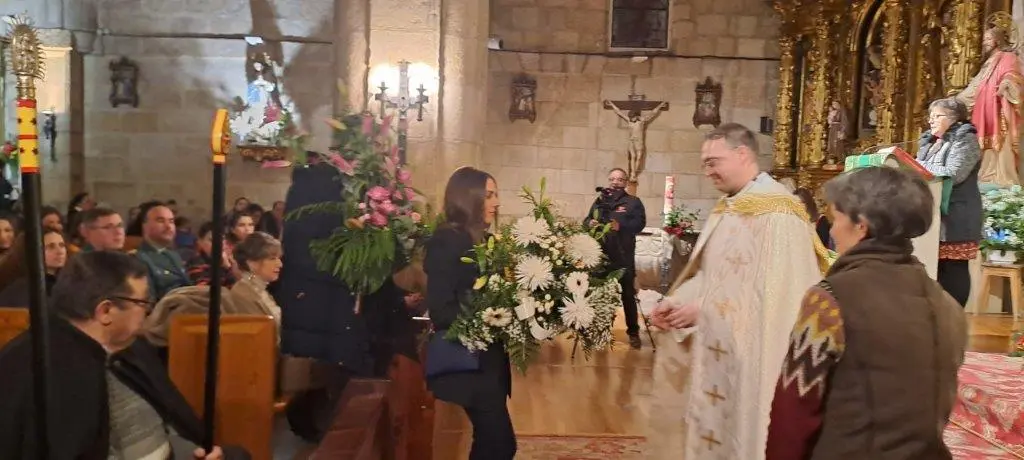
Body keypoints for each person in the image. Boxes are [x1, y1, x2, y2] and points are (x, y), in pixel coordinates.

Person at [646, 123, 831, 459]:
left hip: (755, 356)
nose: (707, 171)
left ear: (742, 154)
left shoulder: (779, 213)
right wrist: (676, 303)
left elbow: (775, 296)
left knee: (745, 434)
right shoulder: (730, 207)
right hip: (720, 346)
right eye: (705, 163)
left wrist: (705, 308)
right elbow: (712, 274)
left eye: (713, 162)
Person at [766, 167, 968, 459]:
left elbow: (794, 412)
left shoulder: (830, 299)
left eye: (836, 219)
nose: (831, 231)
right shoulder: (947, 304)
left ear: (861, 225)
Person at [0, 251, 248, 459]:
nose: (148, 311)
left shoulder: (129, 346)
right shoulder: (38, 365)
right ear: (106, 311)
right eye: (142, 302)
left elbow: (173, 420)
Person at [424, 166, 514, 460]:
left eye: (496, 195)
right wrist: (488, 316)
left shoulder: (483, 240)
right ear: (467, 197)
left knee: (490, 442)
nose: (496, 202)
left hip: (488, 360)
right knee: (500, 445)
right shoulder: (448, 241)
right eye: (489, 195)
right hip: (469, 361)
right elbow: (441, 310)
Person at [917, 97, 983, 307]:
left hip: (956, 214)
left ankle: (954, 314)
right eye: (930, 116)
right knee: (935, 267)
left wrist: (917, 168)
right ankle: (937, 315)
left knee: (953, 268)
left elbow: (955, 173)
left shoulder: (966, 139)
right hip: (934, 214)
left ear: (955, 119)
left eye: (937, 116)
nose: (931, 120)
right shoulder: (931, 142)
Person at [956, 12, 1024, 187]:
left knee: (1000, 145)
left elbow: (1014, 76)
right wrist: (957, 101)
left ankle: (1002, 179)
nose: (984, 42)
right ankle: (986, 176)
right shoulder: (988, 63)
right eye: (984, 39)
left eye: (988, 39)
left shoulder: (1009, 57)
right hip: (983, 112)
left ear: (998, 40)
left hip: (999, 110)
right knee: (984, 147)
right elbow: (975, 87)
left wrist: (1007, 84)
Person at [585, 167, 647, 349]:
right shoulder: (600, 200)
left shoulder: (633, 202)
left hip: (623, 256)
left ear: (625, 182)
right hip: (602, 255)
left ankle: (633, 332)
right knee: (600, 294)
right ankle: (600, 330)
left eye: (619, 179)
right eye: (612, 179)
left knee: (628, 295)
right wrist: (590, 223)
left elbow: (639, 224)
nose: (615, 182)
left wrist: (620, 226)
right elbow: (586, 220)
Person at [133, 202, 190, 302]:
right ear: (145, 226)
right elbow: (148, 301)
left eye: (171, 221)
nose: (168, 226)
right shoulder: (138, 258)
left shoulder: (174, 255)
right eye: (160, 221)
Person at [0, 228, 67, 304]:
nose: (60, 252)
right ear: (32, 251)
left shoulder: (66, 282)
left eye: (62, 245)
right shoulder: (22, 289)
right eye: (51, 247)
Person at [187, 221, 238, 287]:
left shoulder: (228, 260)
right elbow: (205, 290)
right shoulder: (196, 262)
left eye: (221, 239)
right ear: (200, 241)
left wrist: (229, 267)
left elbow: (238, 286)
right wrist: (227, 268)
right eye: (212, 240)